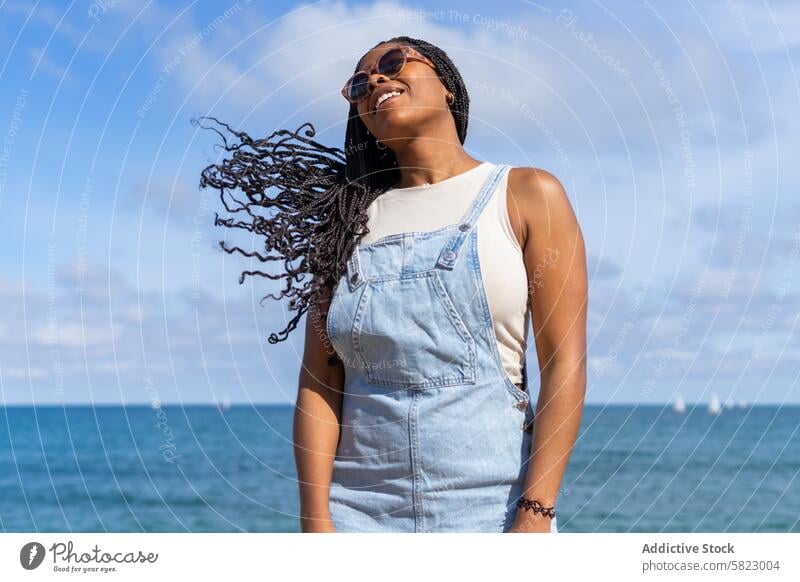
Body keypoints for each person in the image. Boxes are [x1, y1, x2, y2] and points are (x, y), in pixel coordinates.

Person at [197, 35, 587, 533]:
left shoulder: (528, 195)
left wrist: (535, 515)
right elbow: (321, 386)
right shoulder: (343, 226)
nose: (375, 80)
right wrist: (316, 526)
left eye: (392, 62)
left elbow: (564, 367)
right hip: (359, 516)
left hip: (495, 509)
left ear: (447, 85)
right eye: (359, 84)